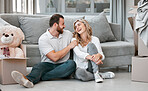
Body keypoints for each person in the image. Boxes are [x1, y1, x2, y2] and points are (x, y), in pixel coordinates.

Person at [11, 14, 78, 88]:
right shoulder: (43, 38)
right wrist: (69, 47)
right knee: (38, 66)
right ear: (55, 25)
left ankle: (41, 77)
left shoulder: (67, 34)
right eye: (62, 24)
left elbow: (77, 36)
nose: (64, 26)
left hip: (64, 64)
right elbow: (54, 58)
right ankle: (28, 80)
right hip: (48, 64)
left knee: (71, 64)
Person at [71, 19, 115, 83]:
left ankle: (96, 72)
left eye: (79, 25)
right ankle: (101, 75)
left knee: (91, 45)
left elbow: (102, 55)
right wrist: (92, 58)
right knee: (81, 74)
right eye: (75, 27)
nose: (77, 27)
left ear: (85, 26)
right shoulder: (74, 40)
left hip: (91, 67)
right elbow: (78, 53)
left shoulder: (95, 39)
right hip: (80, 68)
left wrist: (98, 56)